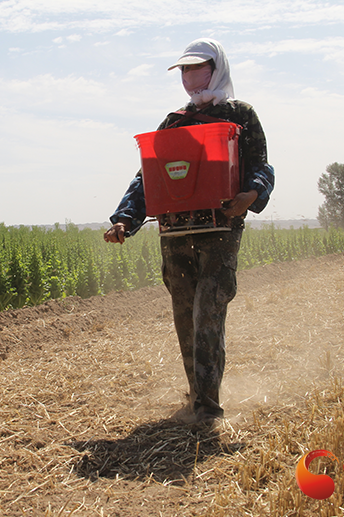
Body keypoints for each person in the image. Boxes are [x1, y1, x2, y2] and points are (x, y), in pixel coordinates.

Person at [103, 38, 274, 424]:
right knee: (185, 316)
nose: (190, 76)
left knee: (207, 313)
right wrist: (125, 220)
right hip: (175, 234)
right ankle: (198, 394)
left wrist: (249, 195)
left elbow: (263, 166)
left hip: (219, 231)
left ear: (217, 68)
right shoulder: (174, 122)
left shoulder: (240, 116)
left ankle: (207, 409)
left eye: (197, 68)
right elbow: (148, 177)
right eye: (184, 70)